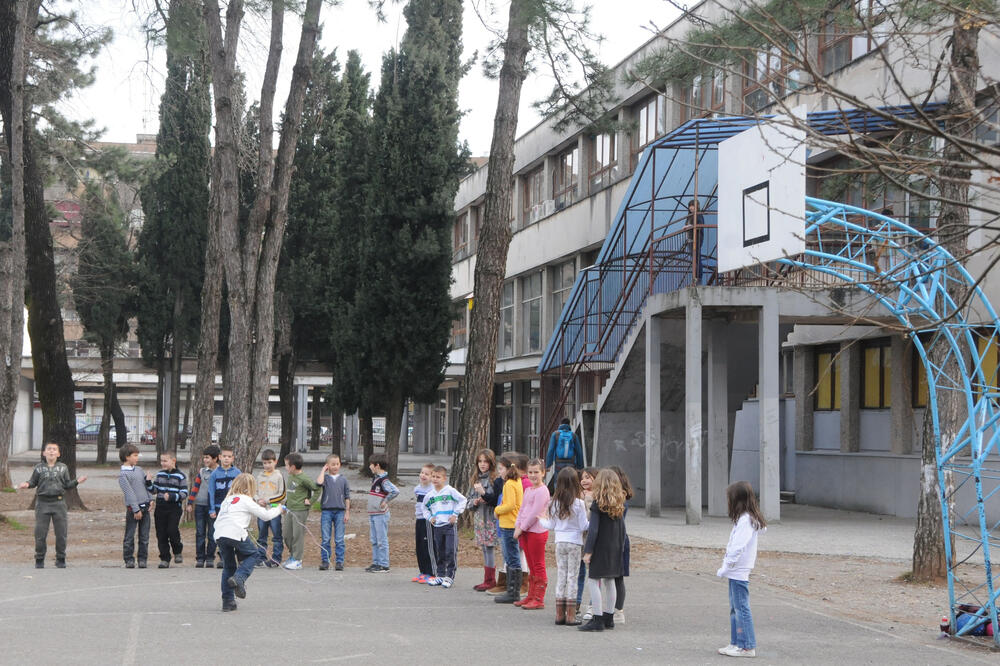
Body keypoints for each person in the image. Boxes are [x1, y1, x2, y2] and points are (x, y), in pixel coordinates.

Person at [213, 473, 286, 612]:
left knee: (228, 567)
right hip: (235, 532)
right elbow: (265, 516)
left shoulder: (228, 499)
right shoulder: (246, 499)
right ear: (250, 488)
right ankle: (239, 577)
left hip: (220, 534)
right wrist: (279, 509)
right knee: (254, 555)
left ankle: (228, 602)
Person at [716, 481, 767, 658]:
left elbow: (738, 547)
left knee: (741, 608)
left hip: (738, 570)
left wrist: (726, 566)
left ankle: (746, 645)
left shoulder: (745, 520)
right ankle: (737, 642)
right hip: (737, 570)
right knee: (736, 608)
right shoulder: (746, 519)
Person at [17, 442, 87, 568]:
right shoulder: (39, 468)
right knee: (40, 533)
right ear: (44, 453)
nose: (51, 451)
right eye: (49, 449)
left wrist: (77, 481)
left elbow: (67, 485)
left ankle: (60, 558)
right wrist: (26, 484)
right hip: (42, 503)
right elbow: (33, 481)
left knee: (61, 533)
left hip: (59, 503)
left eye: (54, 449)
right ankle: (39, 558)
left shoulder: (63, 467)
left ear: (58, 454)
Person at [539, 467, 589, 626]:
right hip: (575, 542)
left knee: (561, 575)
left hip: (559, 542)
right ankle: (571, 616)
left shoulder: (554, 503)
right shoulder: (579, 503)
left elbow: (551, 525)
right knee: (572, 577)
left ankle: (559, 615)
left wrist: (540, 519)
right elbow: (583, 526)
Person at [579, 469, 626, 632]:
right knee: (610, 581)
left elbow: (593, 530)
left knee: (593, 581)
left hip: (600, 547)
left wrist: (588, 551)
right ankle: (609, 616)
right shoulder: (619, 504)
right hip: (615, 547)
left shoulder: (597, 504)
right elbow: (623, 530)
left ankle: (597, 618)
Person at [420, 466, 467, 588]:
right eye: (433, 476)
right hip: (437, 527)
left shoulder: (450, 491)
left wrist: (455, 514)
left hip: (449, 526)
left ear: (444, 478)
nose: (435, 479)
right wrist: (430, 518)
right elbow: (424, 508)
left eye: (438, 477)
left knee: (450, 551)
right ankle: (440, 575)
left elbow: (463, 500)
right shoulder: (430, 495)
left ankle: (449, 576)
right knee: (439, 551)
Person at [513, 458, 550, 610]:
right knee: (530, 565)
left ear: (543, 473)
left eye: (536, 472)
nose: (533, 475)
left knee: (538, 564)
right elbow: (523, 509)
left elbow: (535, 512)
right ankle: (530, 595)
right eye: (530, 472)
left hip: (536, 532)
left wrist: (522, 527)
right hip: (526, 531)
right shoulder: (528, 490)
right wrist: (518, 525)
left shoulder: (543, 491)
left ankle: (538, 598)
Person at [492, 454, 524, 604]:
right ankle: (512, 590)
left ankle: (513, 591)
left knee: (511, 557)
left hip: (509, 524)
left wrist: (497, 509)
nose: (499, 472)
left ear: (508, 469)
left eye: (500, 469)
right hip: (511, 523)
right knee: (512, 556)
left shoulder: (510, 484)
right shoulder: (517, 482)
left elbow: (510, 505)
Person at [467, 449, 499, 591]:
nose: (482, 464)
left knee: (490, 547)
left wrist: (485, 495)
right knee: (484, 548)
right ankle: (487, 578)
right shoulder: (475, 478)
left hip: (491, 518)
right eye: (480, 461)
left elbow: (496, 499)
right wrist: (474, 502)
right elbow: (467, 500)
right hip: (480, 518)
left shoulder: (495, 479)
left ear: (491, 463)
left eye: (485, 461)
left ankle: (491, 580)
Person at [118, 444, 154, 569]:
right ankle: (129, 559)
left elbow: (146, 485)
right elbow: (129, 493)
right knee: (130, 535)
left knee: (144, 536)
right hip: (133, 509)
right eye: (135, 455)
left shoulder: (139, 470)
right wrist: (136, 509)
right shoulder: (123, 475)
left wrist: (150, 499)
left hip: (145, 507)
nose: (137, 458)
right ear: (127, 457)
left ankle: (142, 559)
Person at [282, 452, 318, 570]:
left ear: (292, 467)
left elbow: (317, 489)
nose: (285, 467)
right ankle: (293, 556)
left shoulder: (304, 478)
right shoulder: (291, 476)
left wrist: (311, 501)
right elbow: (291, 493)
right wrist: (286, 505)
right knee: (287, 535)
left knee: (297, 535)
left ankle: (298, 560)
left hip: (300, 510)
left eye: (286, 465)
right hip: (290, 509)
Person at [151, 450, 187, 568]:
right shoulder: (160, 474)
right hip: (160, 507)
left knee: (172, 530)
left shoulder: (180, 476)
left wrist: (173, 497)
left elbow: (184, 493)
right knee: (161, 533)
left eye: (165, 461)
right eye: (161, 461)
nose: (163, 463)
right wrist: (147, 482)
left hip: (174, 508)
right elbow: (154, 490)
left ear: (173, 461)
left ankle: (177, 551)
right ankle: (164, 558)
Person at [187, 444, 220, 568]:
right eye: (204, 458)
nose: (205, 460)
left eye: (208, 458)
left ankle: (210, 557)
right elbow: (195, 487)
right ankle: (200, 558)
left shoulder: (219, 472)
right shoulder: (202, 471)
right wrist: (190, 502)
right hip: (200, 505)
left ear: (215, 459)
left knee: (212, 533)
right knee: (200, 532)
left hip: (213, 507)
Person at [609, 465, 634, 624]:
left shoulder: (620, 500)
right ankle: (611, 609)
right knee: (611, 578)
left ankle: (618, 611)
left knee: (618, 578)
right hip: (617, 540)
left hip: (618, 541)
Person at [316, 453, 350, 571]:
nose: (335, 466)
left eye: (337, 464)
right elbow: (319, 483)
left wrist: (347, 512)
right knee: (326, 538)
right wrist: (323, 471)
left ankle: (339, 561)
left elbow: (347, 496)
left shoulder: (343, 479)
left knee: (339, 539)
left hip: (340, 511)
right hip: (327, 511)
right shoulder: (325, 478)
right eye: (332, 464)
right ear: (328, 466)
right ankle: (325, 561)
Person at [366, 453, 399, 573]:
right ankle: (376, 563)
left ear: (377, 466)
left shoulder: (383, 480)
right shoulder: (376, 478)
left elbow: (395, 491)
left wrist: (385, 501)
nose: (369, 466)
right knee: (374, 540)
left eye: (371, 464)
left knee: (381, 540)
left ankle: (384, 565)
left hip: (380, 515)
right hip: (373, 513)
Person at [255, 448, 285, 567]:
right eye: (265, 463)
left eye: (269, 462)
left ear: (275, 462)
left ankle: (276, 558)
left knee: (276, 535)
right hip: (261, 510)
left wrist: (268, 500)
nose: (267, 465)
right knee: (262, 535)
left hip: (274, 510)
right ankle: (260, 558)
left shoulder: (278, 476)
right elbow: (254, 491)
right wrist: (258, 499)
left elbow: (282, 494)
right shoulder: (259, 476)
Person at [577, 466, 598, 618]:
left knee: (593, 574)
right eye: (583, 477)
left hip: (591, 539)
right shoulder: (577, 495)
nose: (584, 480)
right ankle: (576, 603)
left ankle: (592, 605)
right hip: (578, 538)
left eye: (588, 477)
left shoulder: (597, 496)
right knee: (579, 573)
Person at [412, 463, 436, 583]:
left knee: (428, 546)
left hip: (428, 520)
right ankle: (423, 571)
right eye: (422, 473)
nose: (423, 475)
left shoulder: (433, 490)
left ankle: (432, 572)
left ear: (432, 476)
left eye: (427, 474)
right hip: (419, 520)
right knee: (420, 546)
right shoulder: (417, 489)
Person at [544, 419, 584, 492]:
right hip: (571, 464)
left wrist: (548, 465)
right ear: (569, 424)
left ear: (560, 424)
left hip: (559, 463)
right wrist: (580, 467)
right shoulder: (573, 435)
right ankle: (571, 498)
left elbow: (550, 450)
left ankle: (559, 498)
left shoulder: (555, 434)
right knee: (571, 481)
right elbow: (579, 452)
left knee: (558, 481)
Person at [686, 199, 706, 284]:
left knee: (697, 258)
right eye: (690, 206)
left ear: (696, 206)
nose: (691, 207)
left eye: (692, 206)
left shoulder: (698, 215)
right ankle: (696, 277)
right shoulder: (690, 216)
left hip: (696, 239)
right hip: (690, 239)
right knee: (694, 259)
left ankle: (698, 278)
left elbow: (700, 225)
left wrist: (692, 226)